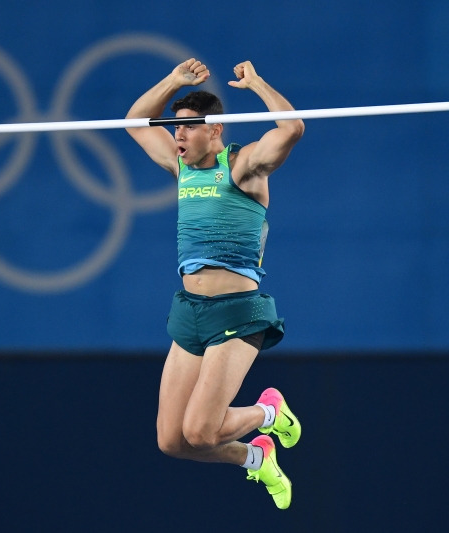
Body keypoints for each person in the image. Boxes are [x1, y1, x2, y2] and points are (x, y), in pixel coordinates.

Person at [125, 59, 304, 509]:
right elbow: (134, 122)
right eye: (175, 129)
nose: (178, 137)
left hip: (236, 312)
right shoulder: (181, 169)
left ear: (216, 130)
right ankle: (255, 457)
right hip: (190, 311)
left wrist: (258, 84)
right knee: (173, 439)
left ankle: (269, 412)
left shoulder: (244, 167)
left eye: (187, 129)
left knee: (200, 431)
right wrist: (173, 81)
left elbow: (292, 128)